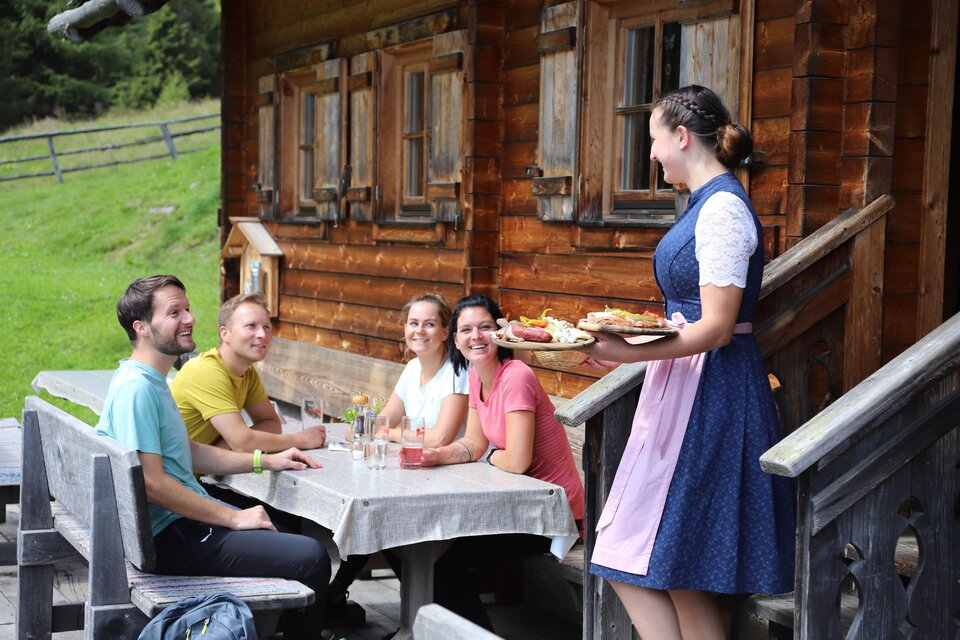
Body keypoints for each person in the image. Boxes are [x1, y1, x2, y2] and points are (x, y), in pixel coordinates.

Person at [581, 86, 795, 640]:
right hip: (683, 388)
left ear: (681, 136)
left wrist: (630, 352)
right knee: (674, 570)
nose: (651, 154)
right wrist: (630, 348)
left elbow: (719, 327)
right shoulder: (706, 203)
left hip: (713, 396)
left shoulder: (723, 209)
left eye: (654, 139)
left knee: (671, 559)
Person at [96, 275, 330, 638]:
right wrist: (233, 519)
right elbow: (152, 484)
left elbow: (188, 453)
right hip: (168, 539)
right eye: (174, 312)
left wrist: (265, 461)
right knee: (312, 556)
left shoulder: (150, 380)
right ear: (141, 327)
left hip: (171, 526)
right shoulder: (138, 390)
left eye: (187, 309)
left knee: (283, 531)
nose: (189, 318)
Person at [419, 294, 584, 630]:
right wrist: (436, 457)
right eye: (466, 330)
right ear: (455, 339)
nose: (475, 336)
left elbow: (518, 460)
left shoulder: (516, 376)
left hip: (554, 513)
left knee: (443, 563)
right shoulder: (478, 374)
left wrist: (492, 457)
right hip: (518, 501)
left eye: (485, 327)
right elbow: (473, 442)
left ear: (501, 331)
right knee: (425, 550)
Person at [326, 293, 469, 623]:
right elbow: (385, 418)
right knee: (367, 508)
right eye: (413, 323)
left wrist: (384, 434)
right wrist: (363, 426)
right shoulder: (411, 368)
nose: (420, 331)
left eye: (430, 324)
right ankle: (335, 596)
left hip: (450, 477)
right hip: (414, 474)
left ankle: (422, 615)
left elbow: (439, 437)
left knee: (380, 517)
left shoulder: (457, 372)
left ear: (446, 332)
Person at [170, 293, 327, 453]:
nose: (262, 335)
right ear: (225, 334)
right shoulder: (206, 371)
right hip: (168, 476)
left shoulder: (247, 372)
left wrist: (226, 446)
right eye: (251, 326)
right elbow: (244, 443)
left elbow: (271, 423)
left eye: (267, 327)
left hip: (197, 472)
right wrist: (300, 439)